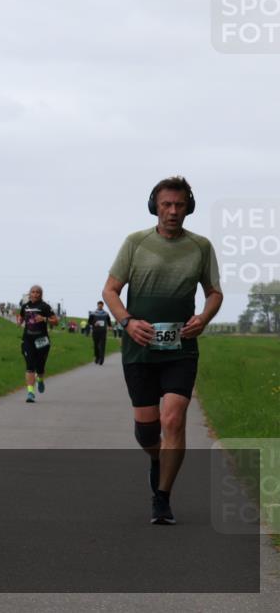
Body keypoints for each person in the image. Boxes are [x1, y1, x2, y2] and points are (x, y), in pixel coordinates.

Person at [102, 176, 221, 525]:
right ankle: (157, 458)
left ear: (189, 207)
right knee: (147, 432)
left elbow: (215, 292)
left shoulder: (200, 247)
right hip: (139, 348)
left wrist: (204, 317)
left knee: (174, 418)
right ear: (155, 206)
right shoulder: (135, 243)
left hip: (181, 347)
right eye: (166, 204)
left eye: (179, 205)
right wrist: (127, 321)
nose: (172, 211)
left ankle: (163, 497)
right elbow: (110, 290)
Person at [16, 285, 59, 403]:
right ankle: (30, 392)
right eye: (32, 292)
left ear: (41, 294)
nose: (34, 294)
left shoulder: (44, 306)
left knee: (40, 367)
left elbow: (56, 321)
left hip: (42, 341)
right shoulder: (25, 306)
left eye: (37, 292)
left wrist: (44, 319)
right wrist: (19, 321)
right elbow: (21, 317)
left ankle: (40, 379)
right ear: (29, 293)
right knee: (29, 365)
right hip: (28, 340)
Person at [87, 300, 112, 365]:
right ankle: (97, 357)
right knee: (96, 345)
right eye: (99, 305)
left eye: (101, 305)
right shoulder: (93, 313)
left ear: (102, 306)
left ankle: (101, 359)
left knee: (102, 345)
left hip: (103, 331)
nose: (100, 306)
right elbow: (89, 322)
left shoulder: (106, 313)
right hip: (95, 331)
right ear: (97, 305)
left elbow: (108, 320)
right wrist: (94, 323)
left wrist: (109, 326)